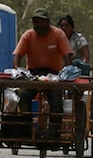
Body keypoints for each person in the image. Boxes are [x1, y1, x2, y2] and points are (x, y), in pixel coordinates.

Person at [12, 7, 73, 136]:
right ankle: (27, 128)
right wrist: (17, 71)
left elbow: (67, 55)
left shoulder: (58, 34)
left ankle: (54, 130)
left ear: (48, 22)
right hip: (33, 74)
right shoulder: (28, 35)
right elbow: (17, 55)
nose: (39, 25)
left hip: (54, 75)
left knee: (56, 100)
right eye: (36, 22)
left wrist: (67, 75)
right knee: (23, 97)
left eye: (41, 21)